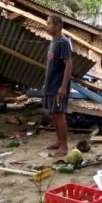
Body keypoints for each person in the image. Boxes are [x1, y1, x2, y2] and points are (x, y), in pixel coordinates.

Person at [43, 14, 73, 157]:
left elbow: (68, 65)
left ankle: (64, 146)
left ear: (57, 26)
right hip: (50, 85)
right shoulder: (53, 42)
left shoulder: (63, 42)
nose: (46, 26)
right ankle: (58, 141)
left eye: (49, 24)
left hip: (58, 86)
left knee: (59, 114)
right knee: (53, 113)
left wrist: (63, 86)